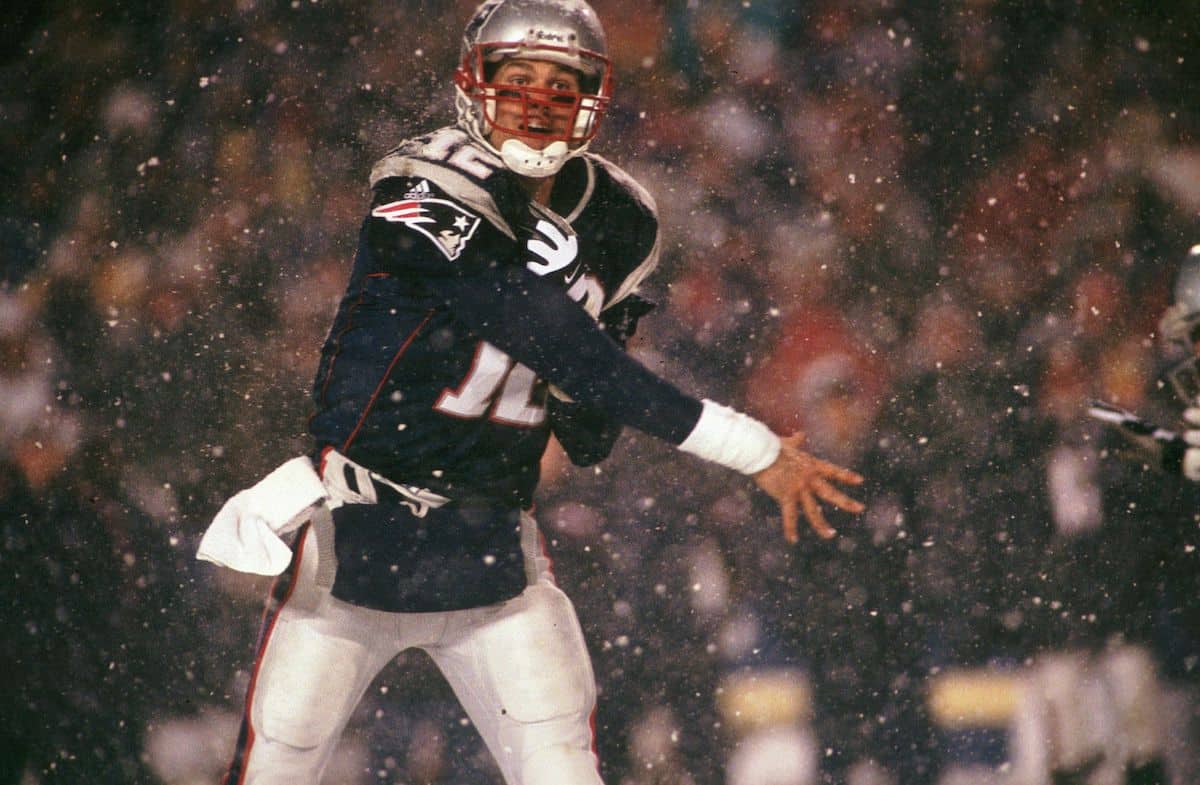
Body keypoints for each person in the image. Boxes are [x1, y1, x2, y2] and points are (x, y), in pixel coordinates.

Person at [197, 1, 865, 783]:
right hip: (357, 539)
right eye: (518, 79)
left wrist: (595, 369)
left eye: (561, 81)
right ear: (475, 82)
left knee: (564, 769)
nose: (540, 100)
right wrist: (744, 445)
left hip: (493, 553)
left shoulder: (621, 217)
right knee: (274, 767)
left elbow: (585, 428)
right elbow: (545, 333)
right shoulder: (422, 177)